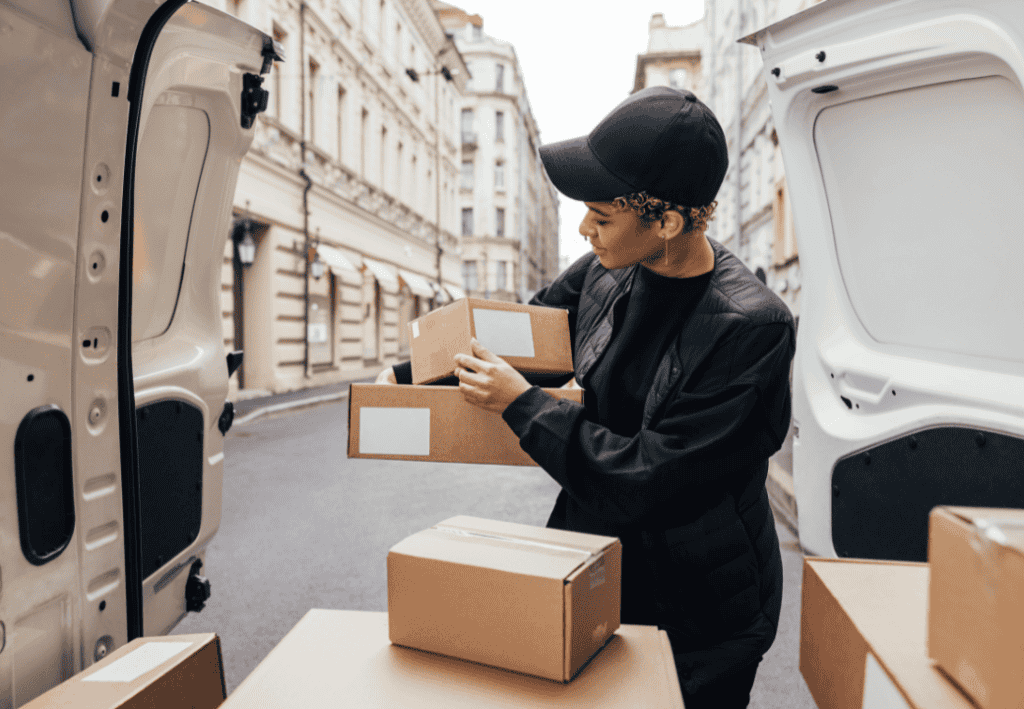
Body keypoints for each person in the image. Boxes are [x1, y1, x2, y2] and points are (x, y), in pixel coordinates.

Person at [378, 86, 795, 709]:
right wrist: (413, 374)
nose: (584, 228)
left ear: (669, 222)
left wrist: (520, 404)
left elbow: (649, 474)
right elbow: (528, 332)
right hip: (599, 559)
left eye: (601, 216)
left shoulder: (750, 327)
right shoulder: (606, 267)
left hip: (702, 607)